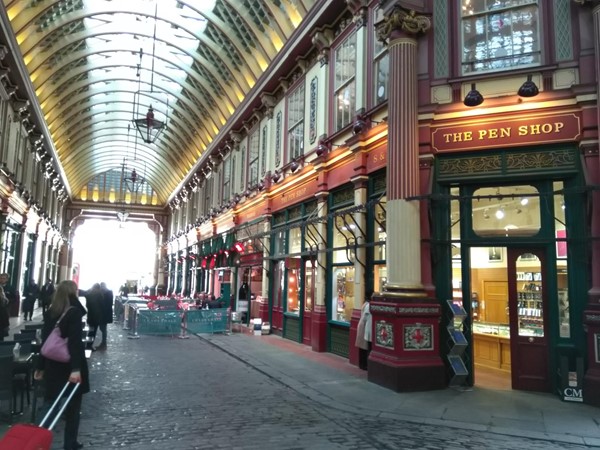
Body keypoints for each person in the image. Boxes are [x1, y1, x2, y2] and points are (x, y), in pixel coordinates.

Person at [35, 280, 89, 450]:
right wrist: (76, 369)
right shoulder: (73, 313)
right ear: (73, 293)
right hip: (68, 366)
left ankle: (37, 441)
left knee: (50, 403)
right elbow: (75, 343)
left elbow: (45, 342)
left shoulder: (51, 312)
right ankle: (70, 443)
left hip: (52, 366)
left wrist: (40, 366)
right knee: (73, 408)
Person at [81, 284, 104, 350]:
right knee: (93, 331)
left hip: (90, 315)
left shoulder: (90, 294)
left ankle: (88, 345)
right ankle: (89, 346)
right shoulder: (99, 295)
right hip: (96, 316)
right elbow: (101, 305)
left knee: (91, 330)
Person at [355, 296, 372, 370]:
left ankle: (363, 364)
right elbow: (365, 317)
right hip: (365, 327)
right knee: (365, 348)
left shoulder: (365, 305)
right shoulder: (368, 306)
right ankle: (364, 364)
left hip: (364, 327)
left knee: (363, 347)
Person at [97, 282, 114, 350]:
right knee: (102, 328)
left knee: (103, 328)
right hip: (103, 313)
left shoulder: (108, 292)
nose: (102, 287)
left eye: (102, 286)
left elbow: (109, 303)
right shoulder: (103, 293)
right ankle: (103, 343)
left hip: (104, 313)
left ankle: (104, 343)